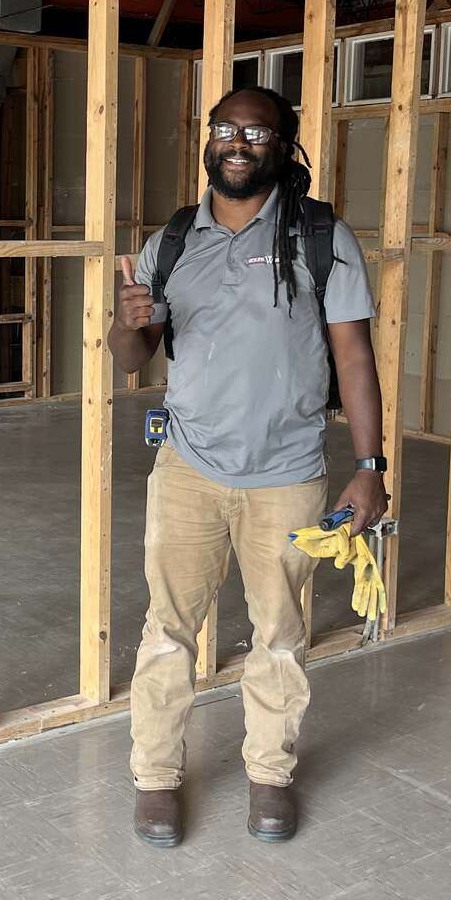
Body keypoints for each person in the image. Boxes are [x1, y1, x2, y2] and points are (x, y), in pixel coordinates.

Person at [107, 85, 387, 846]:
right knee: (168, 631)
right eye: (226, 128)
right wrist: (125, 324)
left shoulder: (320, 236)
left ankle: (270, 777)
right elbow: (133, 359)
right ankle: (156, 780)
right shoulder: (171, 240)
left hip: (289, 474)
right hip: (188, 471)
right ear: (209, 139)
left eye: (257, 132)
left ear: (282, 145)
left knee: (280, 635)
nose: (238, 141)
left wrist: (369, 464)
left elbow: (353, 354)